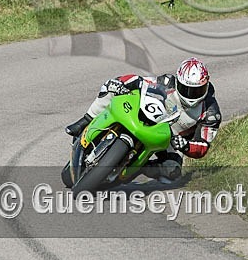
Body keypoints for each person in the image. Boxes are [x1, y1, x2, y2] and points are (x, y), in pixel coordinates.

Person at [64, 58, 222, 182]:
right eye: (186, 89)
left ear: (206, 86)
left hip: (170, 140)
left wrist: (186, 145)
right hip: (146, 117)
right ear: (178, 81)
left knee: (172, 171)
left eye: (197, 90)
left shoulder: (210, 113)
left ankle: (138, 167)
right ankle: (84, 121)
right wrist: (121, 82)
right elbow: (139, 81)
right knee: (110, 88)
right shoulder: (167, 82)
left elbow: (203, 146)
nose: (191, 94)